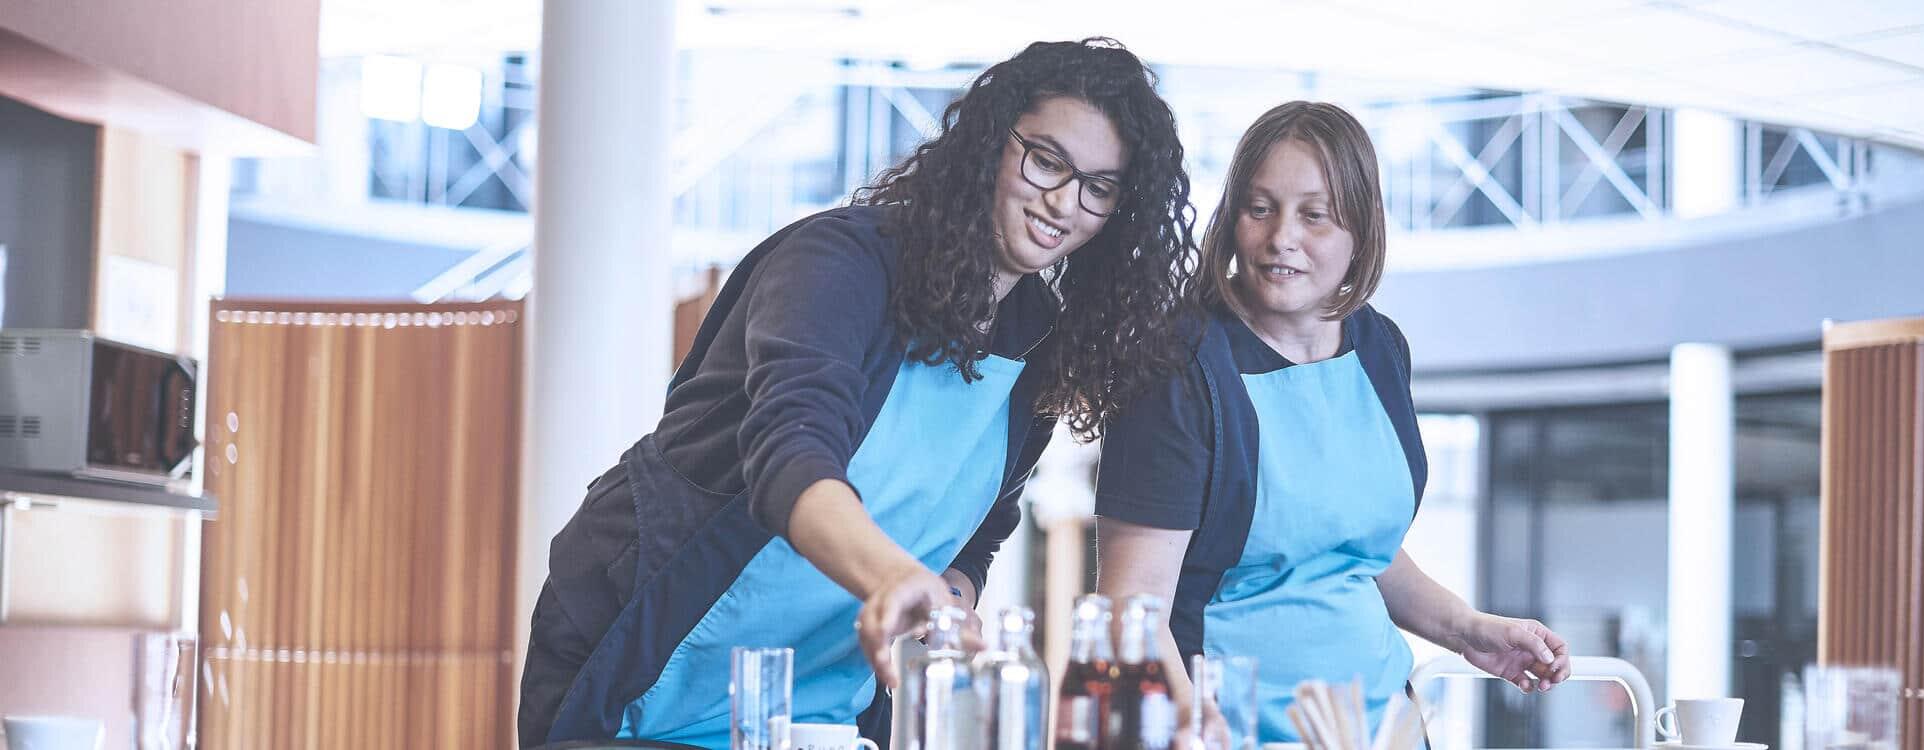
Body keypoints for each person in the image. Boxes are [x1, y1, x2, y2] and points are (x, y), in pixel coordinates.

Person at [517, 38, 1199, 749]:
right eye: (1047, 161)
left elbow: (976, 538)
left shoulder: (1040, 345)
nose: (1064, 201)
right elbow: (789, 452)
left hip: (820, 700)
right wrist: (896, 578)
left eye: (1099, 188)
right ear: (991, 143)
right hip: (642, 658)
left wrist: (947, 605)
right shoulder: (839, 263)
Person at [1091, 101, 1572, 743]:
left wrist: (1468, 629)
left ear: (1361, 230)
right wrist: (1188, 725)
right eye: (1260, 208)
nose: (1281, 237)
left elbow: (1357, 549)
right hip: (1235, 730)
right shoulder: (1175, 367)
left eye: (1313, 215)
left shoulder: (1379, 348)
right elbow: (1132, 610)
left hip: (1383, 727)